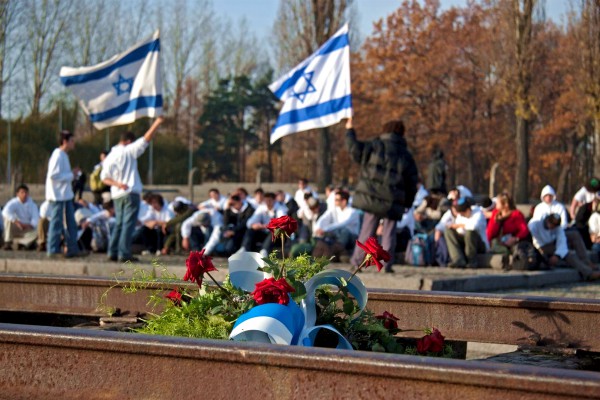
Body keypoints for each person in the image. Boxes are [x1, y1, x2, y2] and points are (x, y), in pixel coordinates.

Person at [346, 116, 419, 273]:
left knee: (367, 230)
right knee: (389, 232)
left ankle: (357, 262)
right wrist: (408, 203)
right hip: (393, 199)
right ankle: (386, 264)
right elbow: (412, 183)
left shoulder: (375, 145)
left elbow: (355, 151)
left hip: (371, 197)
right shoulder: (406, 155)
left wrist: (350, 130)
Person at [101, 117, 164, 262]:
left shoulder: (109, 157)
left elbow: (104, 178)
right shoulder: (128, 151)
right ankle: (124, 253)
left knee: (119, 223)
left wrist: (117, 184)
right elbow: (146, 139)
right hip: (130, 193)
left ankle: (113, 251)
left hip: (117, 194)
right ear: (129, 141)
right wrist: (157, 123)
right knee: (128, 224)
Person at [45, 130, 86, 258]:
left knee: (71, 223)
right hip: (57, 196)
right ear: (65, 141)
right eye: (72, 141)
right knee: (56, 223)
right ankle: (52, 250)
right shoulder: (57, 155)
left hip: (65, 195)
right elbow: (53, 175)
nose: (74, 143)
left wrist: (71, 174)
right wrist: (71, 175)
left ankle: (72, 249)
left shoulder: (64, 155)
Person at [528, 214, 600, 281]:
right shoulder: (535, 224)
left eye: (554, 225)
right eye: (551, 224)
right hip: (541, 246)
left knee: (574, 235)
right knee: (569, 254)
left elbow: (561, 241)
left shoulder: (557, 228)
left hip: (553, 241)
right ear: (547, 220)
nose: (552, 227)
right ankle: (588, 273)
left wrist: (557, 255)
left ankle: (586, 262)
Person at [444, 198, 489, 268]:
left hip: (480, 244)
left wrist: (459, 225)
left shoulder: (478, 213)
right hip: (466, 243)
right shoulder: (460, 216)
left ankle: (472, 260)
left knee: (469, 233)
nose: (461, 215)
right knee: (448, 231)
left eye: (462, 213)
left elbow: (473, 227)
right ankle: (458, 259)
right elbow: (459, 231)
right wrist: (454, 227)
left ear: (468, 210)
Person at [242, 192, 288, 257]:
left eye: (269, 200)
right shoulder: (262, 208)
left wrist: (266, 226)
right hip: (264, 234)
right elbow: (249, 222)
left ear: (274, 200)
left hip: (278, 238)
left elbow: (282, 223)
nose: (267, 202)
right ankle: (244, 249)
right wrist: (254, 225)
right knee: (250, 231)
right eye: (266, 200)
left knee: (274, 231)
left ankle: (264, 251)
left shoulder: (280, 209)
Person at [2, 184, 39, 250]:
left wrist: (27, 225)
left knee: (38, 230)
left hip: (27, 228)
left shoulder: (33, 205)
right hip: (17, 226)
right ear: (17, 194)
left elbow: (35, 219)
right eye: (22, 192)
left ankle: (23, 244)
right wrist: (16, 221)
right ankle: (8, 242)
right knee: (7, 220)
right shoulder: (14, 202)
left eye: (26, 192)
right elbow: (5, 212)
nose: (24, 194)